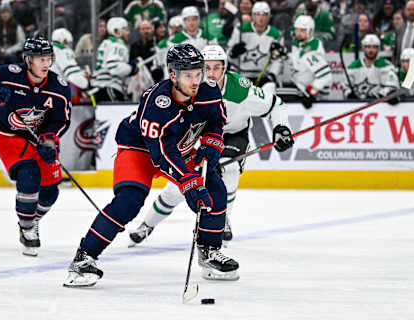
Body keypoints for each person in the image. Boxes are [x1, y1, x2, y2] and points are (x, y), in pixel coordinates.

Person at [63, 44, 239, 287]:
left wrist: (211, 146)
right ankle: (84, 257)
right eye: (188, 75)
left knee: (215, 189)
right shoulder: (157, 101)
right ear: (173, 75)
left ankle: (209, 250)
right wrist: (188, 182)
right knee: (129, 201)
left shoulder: (209, 90)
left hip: (180, 148)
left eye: (198, 73)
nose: (196, 80)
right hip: (141, 149)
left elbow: (215, 123)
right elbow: (162, 154)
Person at [128, 44, 294, 247]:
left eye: (217, 67)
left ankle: (222, 221)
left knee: (229, 170)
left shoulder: (240, 88)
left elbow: (276, 104)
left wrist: (281, 128)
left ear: (226, 68)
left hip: (232, 135)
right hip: (199, 138)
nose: (212, 73)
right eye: (207, 68)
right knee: (178, 186)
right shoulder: (193, 87)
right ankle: (147, 224)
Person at [0, 37, 71, 256]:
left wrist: (49, 140)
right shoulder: (8, 74)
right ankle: (27, 228)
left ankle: (32, 219)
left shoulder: (59, 87)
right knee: (29, 176)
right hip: (11, 138)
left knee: (50, 192)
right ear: (27, 60)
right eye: (40, 59)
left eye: (48, 58)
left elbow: (62, 120)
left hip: (40, 140)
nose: (45, 64)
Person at [227, 1, 285, 87]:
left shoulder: (276, 34)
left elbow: (279, 59)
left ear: (269, 16)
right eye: (257, 14)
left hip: (264, 77)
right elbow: (228, 55)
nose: (261, 18)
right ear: (253, 16)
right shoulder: (240, 29)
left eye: (264, 14)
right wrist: (233, 54)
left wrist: (272, 75)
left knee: (270, 89)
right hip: (242, 75)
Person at [90, 17, 139, 102]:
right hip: (110, 87)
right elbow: (114, 67)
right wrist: (131, 68)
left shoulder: (106, 43)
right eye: (126, 30)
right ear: (117, 31)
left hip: (98, 87)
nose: (129, 32)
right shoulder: (118, 45)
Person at [290, 15, 332, 109]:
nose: (299, 33)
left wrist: (312, 93)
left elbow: (325, 76)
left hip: (312, 94)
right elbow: (299, 66)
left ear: (310, 31)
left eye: (303, 30)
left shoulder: (312, 49)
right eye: (297, 30)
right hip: (301, 88)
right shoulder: (298, 44)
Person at [344, 34, 400, 103]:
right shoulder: (353, 66)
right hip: (357, 106)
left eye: (374, 47)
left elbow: (392, 87)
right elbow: (345, 87)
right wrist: (350, 94)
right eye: (368, 47)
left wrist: (378, 95)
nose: (371, 50)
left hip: (379, 106)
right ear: (363, 48)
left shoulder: (386, 66)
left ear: (378, 49)